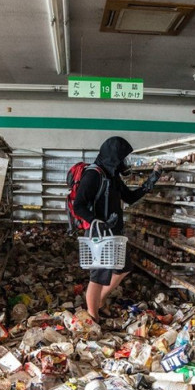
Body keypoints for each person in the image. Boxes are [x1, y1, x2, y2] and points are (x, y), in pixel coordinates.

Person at [73, 136, 161, 321]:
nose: (124, 162)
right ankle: (92, 317)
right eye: (122, 158)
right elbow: (78, 205)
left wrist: (150, 182)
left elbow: (129, 198)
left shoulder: (112, 176)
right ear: (113, 157)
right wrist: (97, 221)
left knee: (124, 267)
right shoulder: (93, 174)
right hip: (99, 234)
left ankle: (100, 301)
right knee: (98, 276)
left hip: (114, 233)